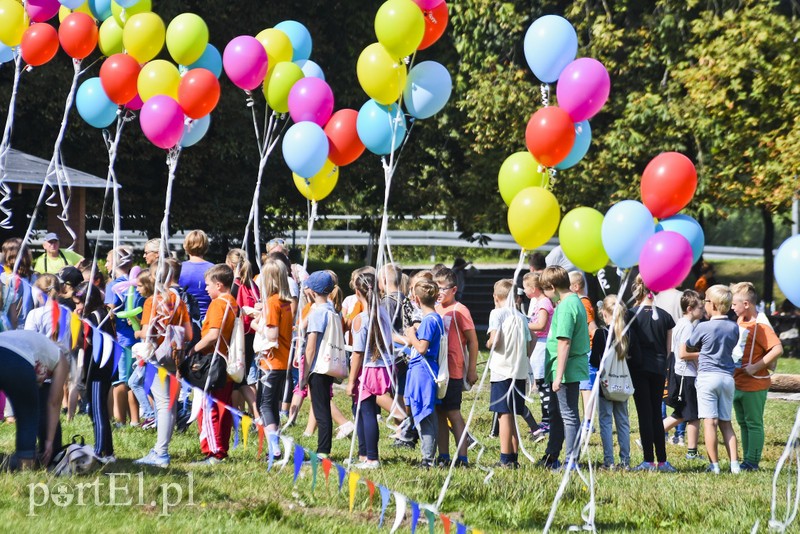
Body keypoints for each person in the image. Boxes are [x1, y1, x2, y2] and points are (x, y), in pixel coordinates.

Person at [133, 265, 193, 468]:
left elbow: (146, 332)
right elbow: (189, 333)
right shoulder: (178, 301)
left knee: (162, 404)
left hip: (157, 356)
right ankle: (161, 448)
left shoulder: (153, 301)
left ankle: (161, 452)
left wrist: (137, 333)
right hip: (175, 356)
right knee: (170, 404)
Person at [537, 266, 589, 470]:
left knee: (568, 415)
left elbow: (564, 342)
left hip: (566, 369)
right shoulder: (569, 301)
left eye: (545, 290)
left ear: (552, 286)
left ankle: (571, 460)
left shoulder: (567, 305)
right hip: (560, 369)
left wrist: (558, 376)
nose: (546, 296)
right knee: (557, 414)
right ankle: (553, 455)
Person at [686, 284, 741, 474]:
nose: (704, 304)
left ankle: (714, 465)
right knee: (726, 422)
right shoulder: (734, 327)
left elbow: (690, 344)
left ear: (714, 305)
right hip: (727, 377)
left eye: (706, 301)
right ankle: (734, 465)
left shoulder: (703, 326)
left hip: (708, 376)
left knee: (710, 423)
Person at [731, 282, 783, 471]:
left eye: (734, 304)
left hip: (754, 385)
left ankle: (752, 462)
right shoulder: (740, 320)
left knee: (753, 423)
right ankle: (747, 459)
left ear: (746, 304)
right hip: (737, 382)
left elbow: (777, 348)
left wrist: (755, 367)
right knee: (743, 423)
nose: (731, 307)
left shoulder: (760, 326)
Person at [191, 264, 238, 465]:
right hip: (225, 363)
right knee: (222, 408)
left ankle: (213, 451)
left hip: (213, 363)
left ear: (219, 285)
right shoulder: (233, 302)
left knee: (208, 408)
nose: (206, 289)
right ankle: (221, 449)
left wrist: (192, 350)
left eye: (208, 285)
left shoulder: (219, 304)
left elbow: (213, 334)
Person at [0, 330, 69, 470]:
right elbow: (54, 402)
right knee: (28, 415)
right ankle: (26, 464)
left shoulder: (33, 342)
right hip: (17, 360)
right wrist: (49, 441)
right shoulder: (61, 359)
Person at [627, 275, 676, 472]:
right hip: (658, 368)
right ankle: (662, 460)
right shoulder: (665, 316)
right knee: (656, 414)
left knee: (644, 414)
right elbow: (668, 349)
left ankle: (648, 459)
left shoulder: (630, 314)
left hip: (638, 368)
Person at [347, 272, 393, 469]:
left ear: (358, 292)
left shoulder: (360, 319)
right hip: (384, 367)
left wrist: (350, 382)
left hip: (368, 370)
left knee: (366, 413)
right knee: (365, 411)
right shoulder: (383, 312)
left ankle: (371, 457)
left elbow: (357, 353)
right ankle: (364, 454)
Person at [434, 267, 478, 467]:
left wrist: (471, 369)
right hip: (437, 371)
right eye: (436, 288)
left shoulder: (460, 310)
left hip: (453, 370)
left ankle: (462, 457)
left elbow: (473, 341)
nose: (439, 292)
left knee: (453, 412)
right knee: (439, 413)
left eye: (443, 288)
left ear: (454, 289)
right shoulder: (434, 308)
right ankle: (443, 455)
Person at [486, 279, 532, 469]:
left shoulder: (497, 313)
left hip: (501, 371)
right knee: (513, 413)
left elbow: (495, 340)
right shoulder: (521, 317)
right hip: (519, 371)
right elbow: (532, 339)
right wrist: (524, 356)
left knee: (503, 415)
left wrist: (489, 344)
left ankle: (505, 457)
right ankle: (514, 457)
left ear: (496, 297)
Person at [252, 258, 293, 459]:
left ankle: (275, 447)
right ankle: (274, 445)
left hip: (271, 361)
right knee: (273, 404)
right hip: (283, 360)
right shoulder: (286, 302)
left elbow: (271, 335)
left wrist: (255, 325)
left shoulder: (272, 302)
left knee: (265, 405)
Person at [72, 281, 116, 462]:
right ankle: (108, 451)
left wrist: (78, 323)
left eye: (79, 303)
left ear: (88, 301)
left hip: (96, 370)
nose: (78, 307)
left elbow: (88, 341)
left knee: (97, 411)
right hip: (104, 368)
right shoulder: (103, 312)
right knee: (99, 411)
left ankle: (99, 452)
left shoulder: (91, 317)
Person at [402, 279, 443, 468]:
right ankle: (429, 455)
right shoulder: (437, 318)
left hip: (422, 372)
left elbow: (422, 348)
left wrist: (411, 335)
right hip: (426, 371)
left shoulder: (428, 321)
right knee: (428, 413)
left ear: (416, 300)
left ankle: (428, 459)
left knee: (424, 414)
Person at [298, 271, 339, 459]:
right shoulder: (332, 310)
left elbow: (311, 347)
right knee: (322, 407)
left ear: (312, 292)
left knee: (320, 409)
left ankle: (323, 451)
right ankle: (324, 448)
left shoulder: (317, 313)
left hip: (318, 366)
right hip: (329, 364)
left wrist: (304, 374)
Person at [662, 290, 705, 461]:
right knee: (693, 415)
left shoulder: (680, 323)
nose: (703, 311)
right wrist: (704, 355)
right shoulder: (687, 326)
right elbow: (683, 353)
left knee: (680, 413)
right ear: (689, 308)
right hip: (686, 375)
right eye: (700, 308)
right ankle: (692, 452)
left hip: (680, 372)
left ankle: (647, 438)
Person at [590, 295, 631, 469]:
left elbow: (594, 361)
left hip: (605, 383)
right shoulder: (626, 333)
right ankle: (625, 461)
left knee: (606, 422)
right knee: (623, 421)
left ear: (604, 313)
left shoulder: (601, 334)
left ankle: (609, 461)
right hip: (622, 383)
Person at [105, 246, 143, 426]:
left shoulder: (113, 285)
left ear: (116, 263)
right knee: (134, 378)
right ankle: (135, 420)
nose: (105, 264)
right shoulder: (140, 282)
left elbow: (110, 313)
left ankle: (120, 421)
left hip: (122, 338)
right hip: (139, 336)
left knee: (120, 380)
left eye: (108, 260)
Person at [227, 248, 260, 423]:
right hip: (251, 335)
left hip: (237, 336)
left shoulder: (236, 285)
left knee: (235, 378)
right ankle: (251, 414)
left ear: (230, 265)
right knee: (244, 377)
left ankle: (239, 415)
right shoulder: (254, 285)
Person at [523, 272, 553, 436]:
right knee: (541, 384)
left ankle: (548, 421)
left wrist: (523, 324)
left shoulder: (544, 303)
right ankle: (546, 419)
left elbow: (541, 325)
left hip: (543, 345)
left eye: (526, 287)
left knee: (543, 384)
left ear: (533, 288)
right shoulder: (539, 302)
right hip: (538, 345)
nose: (524, 291)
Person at [570, 271, 598, 421]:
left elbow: (592, 328)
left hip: (588, 351)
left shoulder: (582, 303)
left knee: (586, 387)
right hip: (584, 351)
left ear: (575, 287)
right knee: (583, 387)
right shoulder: (581, 302)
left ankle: (588, 421)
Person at [178, 230, 214, 320]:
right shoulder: (213, 269)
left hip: (184, 319)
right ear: (206, 246)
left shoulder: (178, 268)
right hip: (207, 318)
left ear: (186, 245)